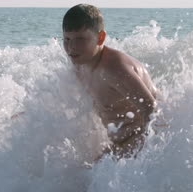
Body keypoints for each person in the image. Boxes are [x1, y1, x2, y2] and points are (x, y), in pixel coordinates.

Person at [62, 4, 157, 159]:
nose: (71, 47)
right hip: (119, 143)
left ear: (100, 38)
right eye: (67, 39)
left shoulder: (114, 69)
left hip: (141, 140)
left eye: (80, 39)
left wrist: (146, 152)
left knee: (91, 177)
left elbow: (152, 109)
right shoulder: (80, 66)